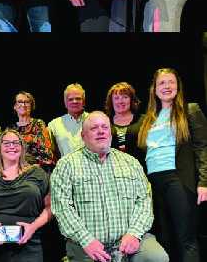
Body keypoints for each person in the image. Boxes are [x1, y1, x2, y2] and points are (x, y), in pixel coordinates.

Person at [51, 112, 168, 262]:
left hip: (127, 241)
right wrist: (86, 240)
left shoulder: (130, 162)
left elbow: (144, 201)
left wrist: (134, 233)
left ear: (110, 134)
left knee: (156, 257)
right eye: (94, 128)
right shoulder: (66, 165)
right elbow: (62, 208)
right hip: (86, 244)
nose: (101, 131)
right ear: (83, 136)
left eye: (104, 127)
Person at [132, 68, 207, 262]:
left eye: (171, 82)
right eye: (162, 83)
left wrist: (204, 182)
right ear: (154, 89)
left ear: (178, 86)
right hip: (154, 183)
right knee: (165, 238)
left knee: (186, 238)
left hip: (178, 179)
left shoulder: (190, 110)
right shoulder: (149, 118)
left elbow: (203, 148)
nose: (167, 86)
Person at [0, 129, 52, 262]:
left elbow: (50, 207)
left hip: (29, 246)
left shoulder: (37, 174)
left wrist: (33, 227)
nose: (11, 146)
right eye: (6, 143)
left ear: (22, 147)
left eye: (16, 142)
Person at [12, 92, 57, 171]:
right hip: (14, 168)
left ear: (31, 106)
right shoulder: (10, 129)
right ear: (15, 106)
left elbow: (46, 155)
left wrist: (29, 167)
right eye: (20, 102)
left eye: (27, 102)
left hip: (34, 169)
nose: (23, 105)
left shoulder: (38, 124)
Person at [48, 84, 88, 157]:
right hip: (65, 167)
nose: (74, 101)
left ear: (84, 101)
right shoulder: (54, 125)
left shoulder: (94, 120)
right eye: (70, 99)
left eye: (78, 98)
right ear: (65, 103)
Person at [108, 82, 143, 156]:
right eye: (116, 98)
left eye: (125, 97)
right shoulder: (105, 122)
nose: (120, 101)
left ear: (131, 100)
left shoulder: (144, 121)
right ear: (111, 101)